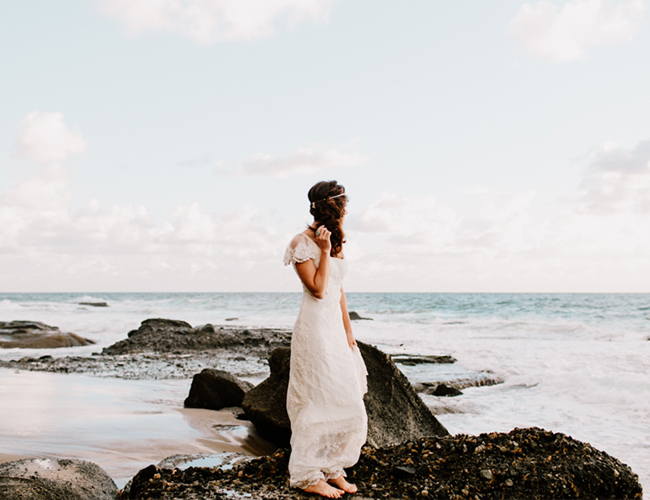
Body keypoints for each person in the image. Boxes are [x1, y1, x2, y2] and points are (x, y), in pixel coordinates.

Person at [282, 180, 368, 498]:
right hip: (314, 329)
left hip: (334, 328)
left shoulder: (337, 241)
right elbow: (318, 290)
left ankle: (332, 466)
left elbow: (339, 290)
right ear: (336, 209)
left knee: (348, 400)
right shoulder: (302, 243)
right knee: (316, 399)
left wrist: (349, 332)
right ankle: (307, 475)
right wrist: (323, 251)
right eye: (344, 207)